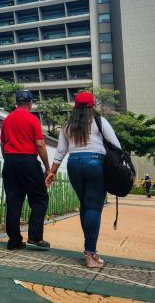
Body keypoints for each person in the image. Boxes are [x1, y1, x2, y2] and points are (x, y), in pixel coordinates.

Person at [45, 92, 121, 268]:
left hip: (74, 165)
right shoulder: (99, 122)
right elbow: (116, 146)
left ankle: (90, 249)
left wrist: (52, 172)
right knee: (94, 207)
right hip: (95, 163)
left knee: (85, 206)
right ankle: (90, 253)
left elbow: (60, 151)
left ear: (75, 107)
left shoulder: (67, 125)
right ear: (92, 106)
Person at [0, 90, 51, 250]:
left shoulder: (7, 120)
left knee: (13, 201)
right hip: (28, 161)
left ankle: (14, 240)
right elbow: (40, 144)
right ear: (30, 103)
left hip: (10, 162)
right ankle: (35, 236)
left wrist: (9, 160)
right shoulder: (32, 119)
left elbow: (2, 144)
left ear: (17, 103)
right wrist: (48, 168)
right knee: (40, 198)